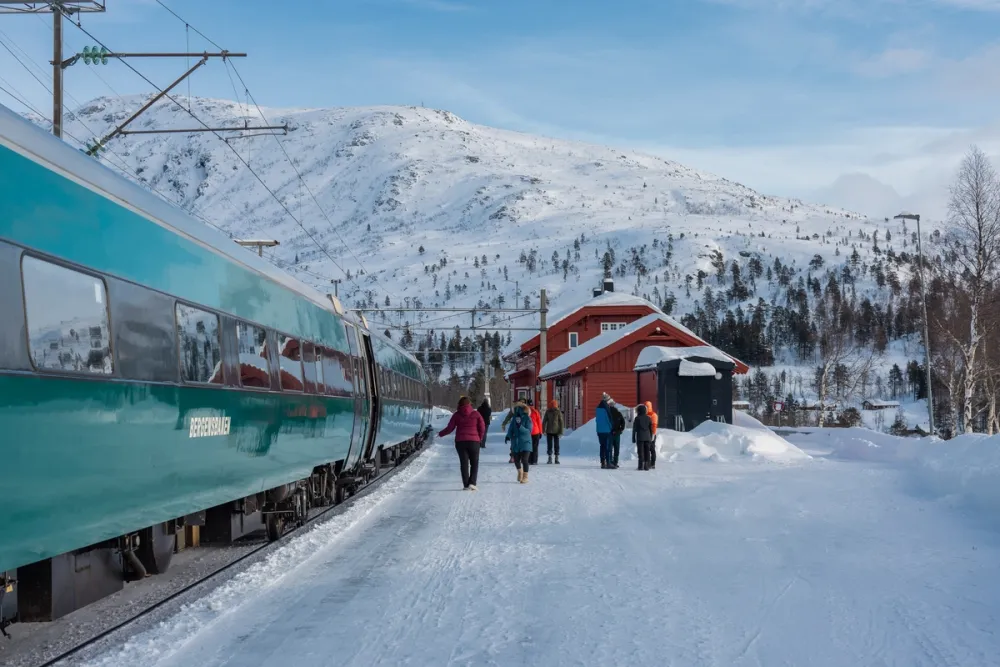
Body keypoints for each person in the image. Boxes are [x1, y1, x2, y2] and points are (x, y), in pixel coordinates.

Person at [438, 396, 486, 491]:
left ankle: (465, 485)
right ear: (469, 404)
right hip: (474, 442)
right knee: (474, 463)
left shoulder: (456, 415)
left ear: (459, 405)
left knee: (464, 463)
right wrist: (479, 439)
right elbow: (482, 427)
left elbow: (450, 428)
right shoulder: (476, 414)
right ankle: (472, 483)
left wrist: (440, 434)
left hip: (460, 442)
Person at [505, 402, 534, 483]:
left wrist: (520, 426)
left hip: (525, 442)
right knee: (516, 460)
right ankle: (520, 472)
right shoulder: (514, 418)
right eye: (516, 410)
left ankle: (525, 476)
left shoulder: (527, 419)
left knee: (525, 460)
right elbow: (511, 428)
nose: (518, 411)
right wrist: (508, 435)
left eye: (519, 410)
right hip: (516, 442)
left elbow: (529, 431)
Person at [543, 399, 564, 464]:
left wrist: (561, 432)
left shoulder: (558, 412)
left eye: (554, 405)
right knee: (549, 445)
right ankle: (550, 457)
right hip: (549, 431)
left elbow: (561, 422)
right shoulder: (548, 412)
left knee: (556, 445)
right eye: (552, 405)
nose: (553, 407)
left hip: (556, 431)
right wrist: (544, 430)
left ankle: (556, 458)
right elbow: (544, 421)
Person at [632, 404, 653, 470]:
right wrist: (651, 437)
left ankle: (641, 466)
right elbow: (651, 429)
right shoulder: (649, 418)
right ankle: (646, 465)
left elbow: (634, 429)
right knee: (647, 452)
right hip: (647, 437)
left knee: (640, 452)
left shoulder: (637, 418)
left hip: (640, 437)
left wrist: (633, 438)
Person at [596, 393, 613, 469]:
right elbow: (608, 419)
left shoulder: (598, 408)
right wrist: (611, 427)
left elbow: (597, 420)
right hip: (606, 430)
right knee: (607, 447)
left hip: (599, 430)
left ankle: (602, 462)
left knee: (602, 446)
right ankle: (608, 462)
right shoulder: (606, 408)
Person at [608, 398, 626, 469]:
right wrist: (621, 430)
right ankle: (615, 462)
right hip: (617, 433)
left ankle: (610, 461)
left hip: (610, 433)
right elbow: (623, 422)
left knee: (609, 448)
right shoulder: (618, 413)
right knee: (616, 448)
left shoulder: (608, 414)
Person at [526, 398, 543, 465]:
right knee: (535, 447)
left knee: (528, 446)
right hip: (536, 432)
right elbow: (539, 423)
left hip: (528, 432)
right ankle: (535, 460)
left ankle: (529, 460)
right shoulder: (536, 412)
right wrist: (540, 432)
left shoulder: (525, 412)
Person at [644, 400, 659, 469]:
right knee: (646, 449)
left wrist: (653, 434)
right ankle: (648, 463)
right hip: (646, 434)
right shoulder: (644, 415)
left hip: (651, 434)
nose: (646, 407)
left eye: (647, 406)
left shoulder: (653, 415)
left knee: (652, 449)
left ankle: (653, 463)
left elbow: (654, 425)